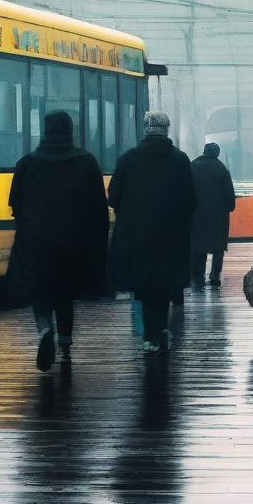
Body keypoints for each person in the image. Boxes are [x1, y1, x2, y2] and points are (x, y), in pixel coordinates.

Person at [6, 110, 109, 373]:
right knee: (66, 292)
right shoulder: (86, 162)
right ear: (70, 130)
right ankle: (65, 343)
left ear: (45, 130)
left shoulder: (27, 164)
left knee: (40, 290)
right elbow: (99, 206)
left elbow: (15, 203)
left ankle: (44, 328)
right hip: (75, 241)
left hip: (36, 240)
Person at [108, 111, 196, 355]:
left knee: (144, 284)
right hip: (170, 234)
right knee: (163, 283)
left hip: (136, 233)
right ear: (166, 130)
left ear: (146, 129)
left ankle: (150, 334)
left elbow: (114, 195)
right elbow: (190, 200)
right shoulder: (179, 160)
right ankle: (157, 330)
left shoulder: (128, 159)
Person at [190, 142, 237, 288]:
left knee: (198, 246)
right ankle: (215, 275)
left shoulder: (193, 166)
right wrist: (230, 207)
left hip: (197, 213)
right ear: (217, 153)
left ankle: (198, 276)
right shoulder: (222, 169)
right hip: (218, 215)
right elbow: (229, 194)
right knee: (218, 247)